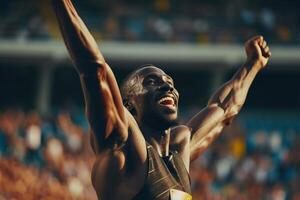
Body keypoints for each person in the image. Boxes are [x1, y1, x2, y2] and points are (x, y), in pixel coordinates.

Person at [52, 0, 271, 199]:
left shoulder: (180, 147)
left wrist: (254, 64)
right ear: (129, 105)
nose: (167, 86)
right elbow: (95, 69)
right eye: (151, 82)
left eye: (170, 82)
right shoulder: (123, 147)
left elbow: (224, 109)